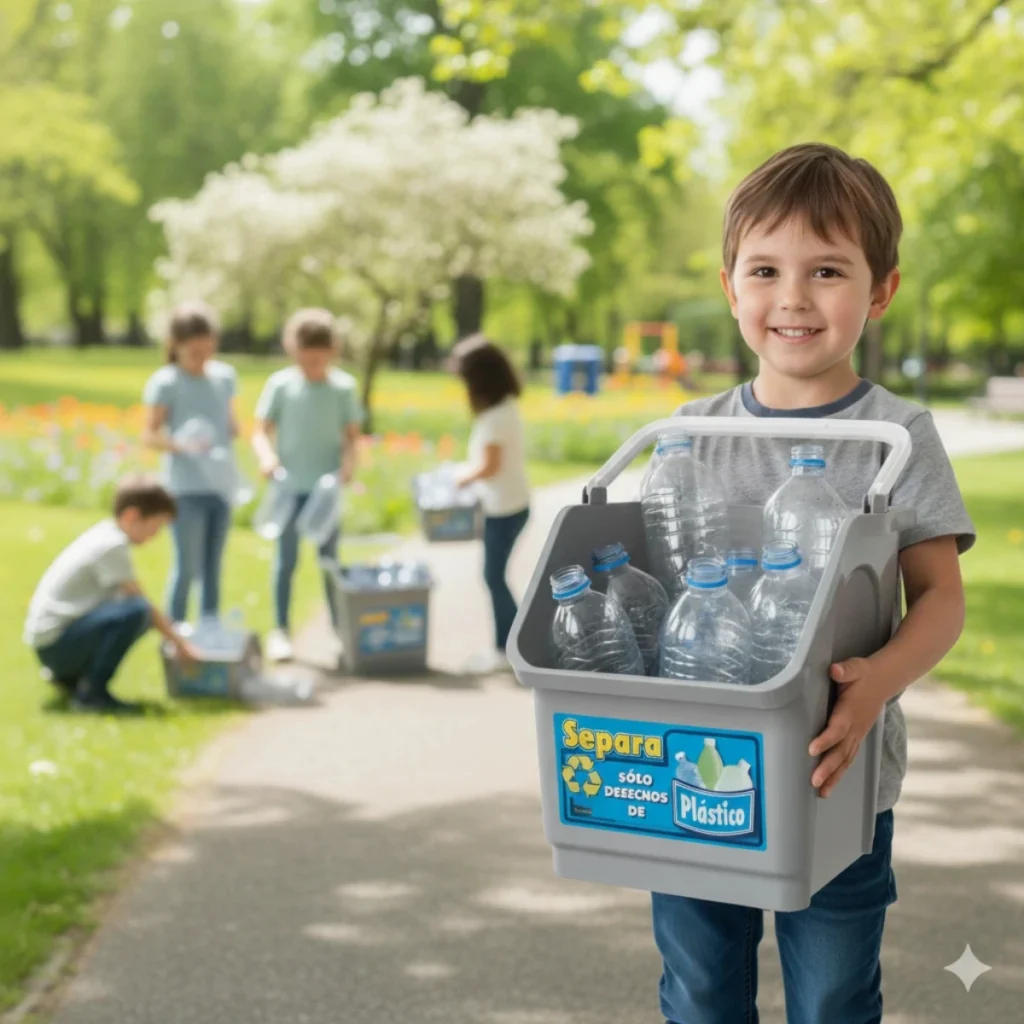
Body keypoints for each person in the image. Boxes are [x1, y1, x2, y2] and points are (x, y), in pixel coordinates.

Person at [652, 143, 975, 1023]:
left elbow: (940, 596)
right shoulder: (686, 434)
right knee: (701, 988)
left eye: (826, 270)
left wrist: (877, 684)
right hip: (697, 768)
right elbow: (654, 584)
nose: (792, 297)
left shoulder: (897, 434)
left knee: (833, 993)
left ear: (880, 292)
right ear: (730, 287)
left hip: (839, 769)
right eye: (765, 269)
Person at [23, 475, 200, 713]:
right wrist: (181, 644)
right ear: (132, 516)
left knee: (133, 613)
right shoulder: (111, 545)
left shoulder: (105, 534)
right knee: (137, 612)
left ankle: (74, 681)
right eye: (156, 526)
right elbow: (142, 604)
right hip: (56, 646)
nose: (155, 535)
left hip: (52, 642)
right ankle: (92, 694)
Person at [252, 308, 362, 663]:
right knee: (285, 562)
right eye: (306, 359)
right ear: (293, 351)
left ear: (332, 352)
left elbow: (351, 438)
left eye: (319, 359)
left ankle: (339, 633)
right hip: (288, 489)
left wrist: (348, 466)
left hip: (324, 493)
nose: (313, 366)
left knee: (329, 561)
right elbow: (260, 432)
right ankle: (281, 630)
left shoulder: (343, 388)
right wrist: (267, 458)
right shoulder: (281, 386)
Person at [142, 301, 239, 625]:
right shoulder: (166, 381)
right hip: (185, 489)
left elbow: (232, 426)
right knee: (186, 568)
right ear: (177, 345)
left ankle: (210, 630)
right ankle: (177, 636)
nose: (201, 355)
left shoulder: (225, 377)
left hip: (220, 485)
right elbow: (150, 435)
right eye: (194, 350)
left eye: (206, 347)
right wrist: (182, 445)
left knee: (214, 568)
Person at [452, 335, 531, 673]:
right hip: (508, 503)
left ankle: (508, 647)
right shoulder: (503, 409)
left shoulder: (497, 417)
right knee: (495, 576)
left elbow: (490, 466)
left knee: (493, 577)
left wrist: (461, 478)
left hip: (505, 508)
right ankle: (510, 645)